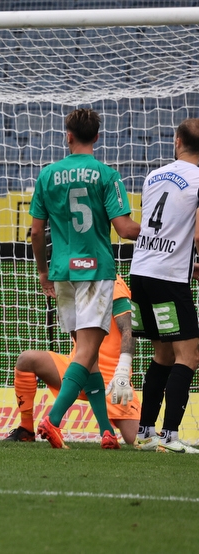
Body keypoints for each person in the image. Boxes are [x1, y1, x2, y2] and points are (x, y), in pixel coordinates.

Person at [30, 108, 140, 450]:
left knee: (86, 354)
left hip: (63, 270)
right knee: (86, 351)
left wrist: (43, 271)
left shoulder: (48, 175)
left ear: (69, 135)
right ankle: (53, 418)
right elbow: (124, 230)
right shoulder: (107, 175)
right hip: (95, 271)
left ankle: (106, 430)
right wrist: (158, 227)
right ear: (97, 137)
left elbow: (35, 231)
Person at [129, 117, 199, 454]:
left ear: (176, 142)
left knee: (163, 354)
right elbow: (197, 234)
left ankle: (145, 433)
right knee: (190, 354)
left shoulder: (154, 175)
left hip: (142, 271)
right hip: (169, 278)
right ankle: (170, 436)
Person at [6, 275, 140, 445]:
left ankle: (101, 429)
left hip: (112, 380)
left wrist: (122, 371)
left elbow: (128, 328)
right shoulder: (74, 282)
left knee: (139, 440)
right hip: (77, 368)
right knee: (26, 360)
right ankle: (26, 429)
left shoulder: (111, 281)